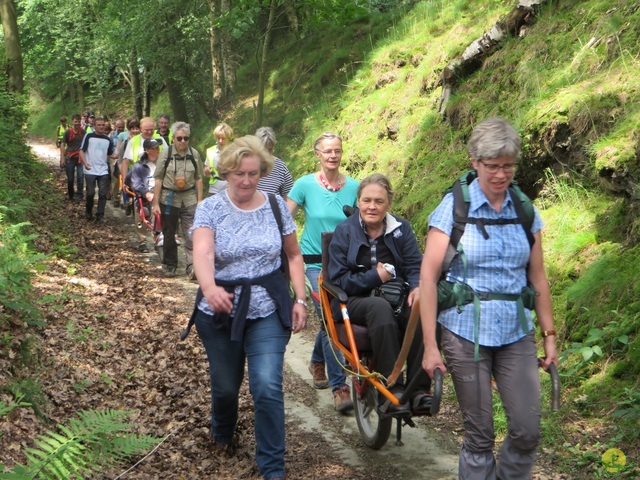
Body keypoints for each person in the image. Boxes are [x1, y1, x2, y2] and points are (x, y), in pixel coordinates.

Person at [420, 118, 558, 479]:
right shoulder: (453, 210)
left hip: (516, 331)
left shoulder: (525, 210)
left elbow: (537, 276)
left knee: (528, 430)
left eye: (508, 166)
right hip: (464, 332)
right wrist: (430, 347)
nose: (501, 175)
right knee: (480, 436)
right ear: (474, 161)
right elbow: (428, 278)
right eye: (492, 166)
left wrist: (549, 335)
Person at [191, 134, 307, 480]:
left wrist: (300, 299)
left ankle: (272, 466)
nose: (246, 180)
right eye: (239, 173)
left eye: (253, 174)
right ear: (226, 172)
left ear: (263, 173)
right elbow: (203, 252)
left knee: (267, 384)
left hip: (268, 306)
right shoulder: (210, 207)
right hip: (220, 309)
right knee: (226, 385)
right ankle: (223, 430)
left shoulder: (274, 205)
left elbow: (293, 254)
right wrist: (209, 287)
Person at [328, 173, 432, 416]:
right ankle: (391, 386)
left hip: (396, 296)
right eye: (366, 200)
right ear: (358, 202)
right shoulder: (345, 231)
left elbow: (415, 265)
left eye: (378, 201)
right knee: (378, 307)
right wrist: (375, 277)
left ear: (389, 204)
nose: (371, 206)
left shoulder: (401, 229)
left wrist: (416, 287)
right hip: (353, 300)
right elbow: (338, 279)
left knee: (422, 307)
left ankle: (418, 391)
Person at [287, 132, 358, 413]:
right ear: (317, 154)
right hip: (314, 263)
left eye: (337, 150)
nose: (333, 155)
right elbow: (284, 217)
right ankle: (340, 387)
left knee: (335, 316)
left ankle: (318, 360)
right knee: (331, 320)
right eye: (327, 151)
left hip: (345, 264)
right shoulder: (304, 184)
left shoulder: (354, 186)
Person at [152, 121, 203, 278]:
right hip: (169, 198)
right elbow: (158, 178)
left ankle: (192, 266)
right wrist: (155, 203)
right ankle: (170, 264)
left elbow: (199, 178)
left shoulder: (194, 154)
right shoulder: (165, 154)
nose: (182, 142)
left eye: (186, 138)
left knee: (192, 233)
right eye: (179, 138)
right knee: (169, 233)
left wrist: (200, 200)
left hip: (189, 198)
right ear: (173, 138)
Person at [79, 117, 116, 223]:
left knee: (103, 194)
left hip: (103, 169)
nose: (101, 127)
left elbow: (110, 153)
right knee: (90, 193)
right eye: (98, 125)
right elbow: (81, 150)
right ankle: (89, 211)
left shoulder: (107, 139)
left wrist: (118, 155)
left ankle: (100, 215)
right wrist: (85, 163)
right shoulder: (89, 136)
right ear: (94, 126)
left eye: (102, 125)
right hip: (90, 169)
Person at [129, 138, 161, 252]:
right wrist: (146, 193)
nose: (158, 149)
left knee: (161, 216)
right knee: (142, 216)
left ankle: (159, 238)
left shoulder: (163, 163)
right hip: (144, 194)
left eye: (158, 147)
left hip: (161, 193)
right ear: (147, 150)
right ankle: (142, 242)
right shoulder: (138, 166)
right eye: (155, 148)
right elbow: (136, 183)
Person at [255, 127, 293, 198]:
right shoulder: (248, 165)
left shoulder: (280, 166)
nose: (266, 153)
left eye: (269, 149)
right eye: (263, 149)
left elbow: (289, 196)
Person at [60, 113, 86, 202]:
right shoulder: (68, 132)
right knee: (70, 178)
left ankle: (79, 195)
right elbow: (62, 144)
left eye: (79, 122)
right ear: (72, 121)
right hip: (69, 157)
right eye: (76, 121)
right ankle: (71, 194)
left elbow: (86, 145)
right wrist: (62, 158)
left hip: (80, 158)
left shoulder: (83, 132)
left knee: (80, 177)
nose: (77, 123)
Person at [204, 123, 233, 197]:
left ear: (228, 137)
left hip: (231, 188)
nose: (220, 141)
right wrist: (206, 171)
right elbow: (206, 175)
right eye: (218, 138)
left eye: (223, 138)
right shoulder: (210, 151)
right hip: (214, 189)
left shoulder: (235, 151)